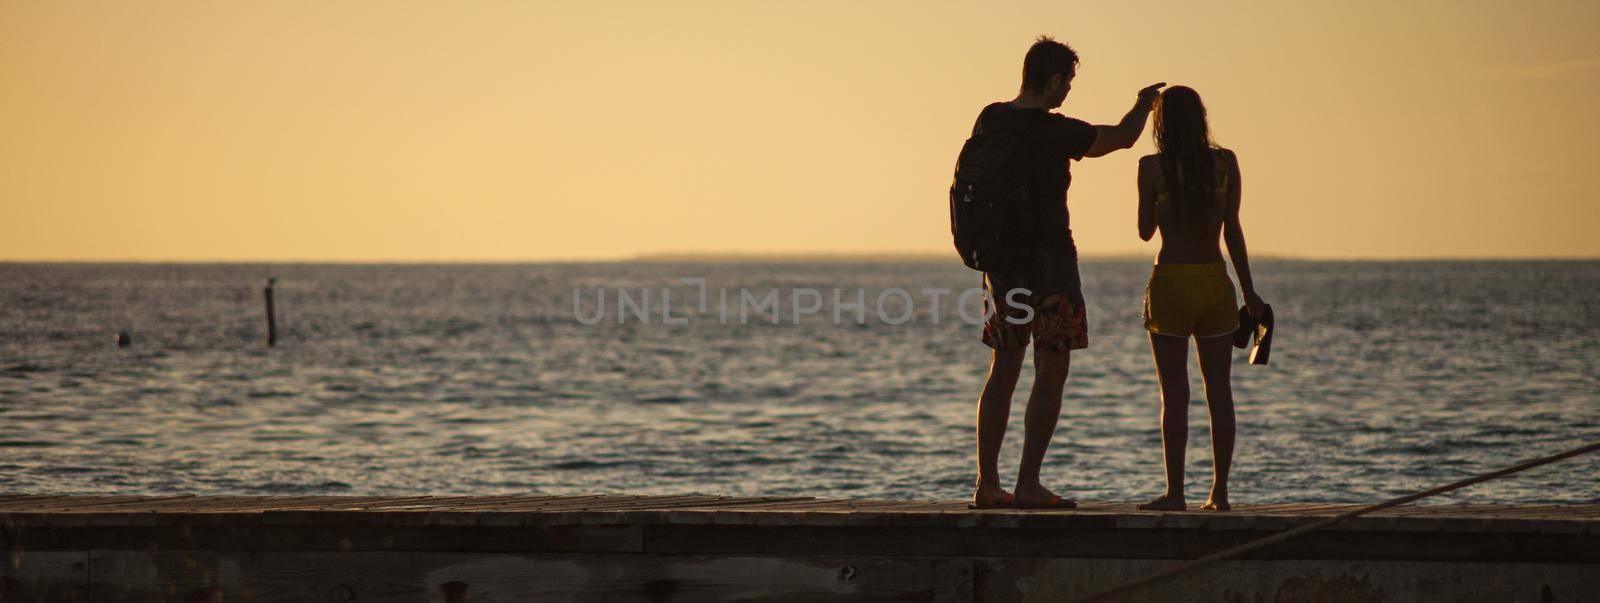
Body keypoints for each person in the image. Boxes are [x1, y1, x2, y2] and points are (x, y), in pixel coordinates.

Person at [969, 36, 1164, 510]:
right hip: (1051, 262)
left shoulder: (990, 118)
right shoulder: (1058, 131)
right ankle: (1029, 484)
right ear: (1055, 80)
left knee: (1004, 368)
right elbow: (1122, 137)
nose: (1069, 91)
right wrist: (1144, 104)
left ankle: (989, 485)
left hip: (1002, 266)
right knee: (1050, 369)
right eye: (1069, 82)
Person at [1133, 86, 1266, 512]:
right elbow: (1233, 229)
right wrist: (1249, 290)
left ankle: (1175, 493)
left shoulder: (1152, 167)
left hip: (1171, 282)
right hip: (1214, 281)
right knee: (1219, 391)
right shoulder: (1225, 163)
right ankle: (1220, 493)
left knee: (1175, 395)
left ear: (1161, 124)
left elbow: (1144, 230)